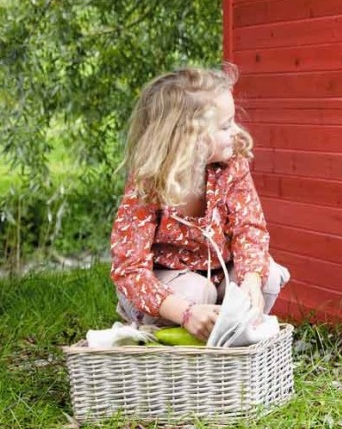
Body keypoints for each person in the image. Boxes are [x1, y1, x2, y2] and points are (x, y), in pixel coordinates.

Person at [110, 65, 289, 341]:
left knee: (268, 276)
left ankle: (227, 342)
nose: (236, 132)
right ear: (190, 137)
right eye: (225, 125)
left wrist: (251, 278)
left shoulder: (230, 167)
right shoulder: (148, 184)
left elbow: (249, 229)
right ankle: (170, 343)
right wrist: (185, 312)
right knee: (197, 290)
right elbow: (129, 269)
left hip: (217, 273)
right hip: (168, 285)